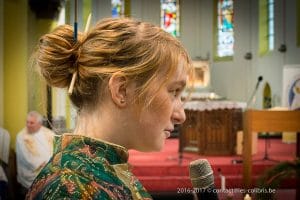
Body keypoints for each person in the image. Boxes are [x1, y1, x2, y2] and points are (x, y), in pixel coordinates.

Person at [26, 17, 194, 199]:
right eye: (173, 91)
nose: (181, 115)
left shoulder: (100, 169)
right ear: (122, 90)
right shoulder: (69, 188)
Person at [16, 111, 55, 199]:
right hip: (30, 175)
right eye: (27, 122)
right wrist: (45, 164)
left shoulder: (49, 133)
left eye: (32, 123)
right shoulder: (21, 136)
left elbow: (55, 150)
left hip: (49, 171)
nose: (28, 125)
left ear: (39, 124)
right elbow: (27, 159)